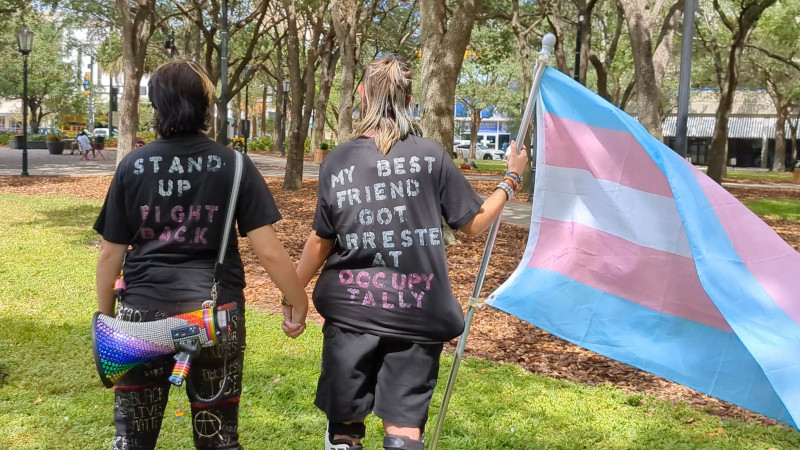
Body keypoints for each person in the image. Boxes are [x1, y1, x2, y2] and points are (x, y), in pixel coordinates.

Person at [295, 54, 528, 450]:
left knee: (345, 427)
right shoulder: (431, 156)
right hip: (417, 315)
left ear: (363, 94)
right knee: (403, 431)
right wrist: (512, 178)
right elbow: (472, 224)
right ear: (409, 97)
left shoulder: (338, 160)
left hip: (351, 313)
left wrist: (292, 293)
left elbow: (321, 241)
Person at [93, 59, 308, 450]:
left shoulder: (133, 166)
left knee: (131, 440)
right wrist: (298, 300)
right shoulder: (236, 166)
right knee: (218, 439)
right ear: (205, 105)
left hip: (140, 317)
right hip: (215, 318)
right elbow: (270, 251)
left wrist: (108, 322)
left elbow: (110, 255)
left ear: (156, 106)